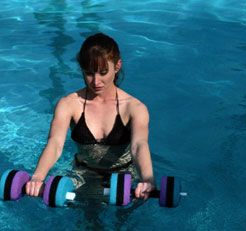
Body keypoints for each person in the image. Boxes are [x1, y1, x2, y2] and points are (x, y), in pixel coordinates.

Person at [26, 33, 156, 201]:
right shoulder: (69, 104)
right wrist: (38, 177)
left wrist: (148, 179)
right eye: (89, 73)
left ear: (117, 66)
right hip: (83, 176)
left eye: (103, 72)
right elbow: (55, 143)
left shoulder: (134, 108)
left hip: (124, 178)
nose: (96, 81)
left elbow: (139, 145)